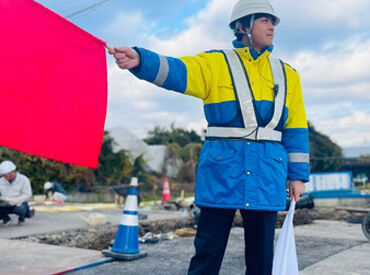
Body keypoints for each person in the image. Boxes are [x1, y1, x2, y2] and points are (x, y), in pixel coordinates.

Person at [108, 0, 310, 273]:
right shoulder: (215, 64)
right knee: (207, 254)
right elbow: (178, 71)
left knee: (262, 260)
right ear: (242, 26)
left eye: (273, 21)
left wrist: (297, 176)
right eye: (263, 19)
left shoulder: (288, 75)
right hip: (222, 175)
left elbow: (296, 128)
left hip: (266, 176)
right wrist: (141, 60)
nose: (272, 25)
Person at [0, 160, 34, 226]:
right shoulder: (1, 181)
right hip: (6, 203)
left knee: (21, 209)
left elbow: (28, 194)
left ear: (12, 172)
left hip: (19, 203)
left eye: (6, 175)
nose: (5, 177)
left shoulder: (23, 179)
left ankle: (22, 218)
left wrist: (17, 200)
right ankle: (6, 219)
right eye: (4, 175)